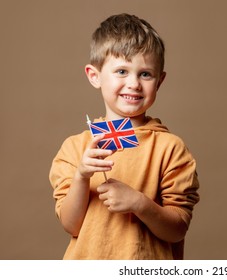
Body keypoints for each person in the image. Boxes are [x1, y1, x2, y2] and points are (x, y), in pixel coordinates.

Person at [49, 13, 200, 260]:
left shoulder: (170, 148)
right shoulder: (75, 149)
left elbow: (178, 228)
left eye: (145, 74)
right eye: (121, 71)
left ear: (159, 81)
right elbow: (70, 224)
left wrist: (140, 204)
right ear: (94, 76)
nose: (134, 84)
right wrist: (81, 177)